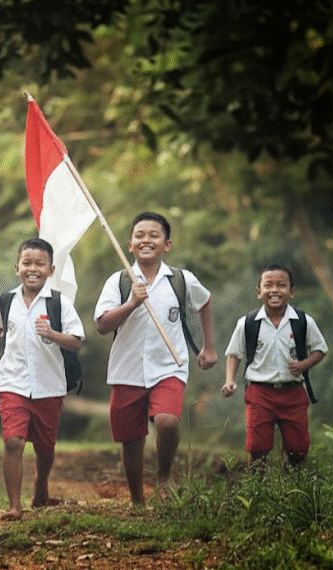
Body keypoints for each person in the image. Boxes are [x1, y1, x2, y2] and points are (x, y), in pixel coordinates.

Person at [93, 212, 217, 506]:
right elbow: (102, 325)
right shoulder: (118, 281)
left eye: (154, 235)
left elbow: (205, 302)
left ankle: (164, 475)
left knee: (167, 422)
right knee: (131, 440)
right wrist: (132, 303)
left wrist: (209, 346)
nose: (146, 240)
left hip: (169, 366)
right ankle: (137, 501)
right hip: (127, 369)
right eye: (139, 235)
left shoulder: (181, 280)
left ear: (167, 244)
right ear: (129, 244)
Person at [0, 238, 85, 521]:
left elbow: (76, 341)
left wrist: (53, 334)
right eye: (27, 263)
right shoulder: (6, 301)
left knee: (45, 448)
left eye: (40, 264)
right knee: (13, 442)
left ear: (51, 270)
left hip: (49, 385)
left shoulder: (59, 303)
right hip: (12, 381)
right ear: (17, 267)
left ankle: (41, 482)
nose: (33, 269)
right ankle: (14, 506)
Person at [221, 263, 328, 470]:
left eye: (281, 285)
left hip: (294, 392)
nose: (275, 290)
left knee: (297, 449)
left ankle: (293, 489)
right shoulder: (248, 323)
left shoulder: (303, 321)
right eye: (268, 285)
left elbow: (320, 349)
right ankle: (258, 491)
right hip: (260, 392)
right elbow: (234, 354)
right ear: (259, 292)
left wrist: (304, 364)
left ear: (292, 291)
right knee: (257, 448)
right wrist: (229, 380)